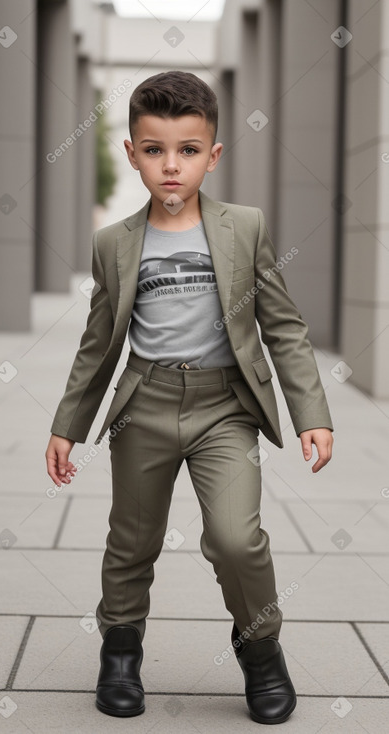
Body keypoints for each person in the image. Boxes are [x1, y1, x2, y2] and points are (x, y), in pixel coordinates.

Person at [45, 70, 334, 725]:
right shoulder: (114, 243)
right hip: (143, 404)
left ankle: (260, 651)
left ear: (213, 154)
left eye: (187, 150)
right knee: (131, 541)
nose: (170, 165)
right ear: (131, 152)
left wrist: (311, 413)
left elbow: (282, 326)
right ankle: (120, 654)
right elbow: (98, 343)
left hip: (223, 407)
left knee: (237, 540)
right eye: (153, 149)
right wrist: (68, 423)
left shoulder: (244, 228)